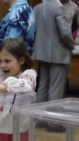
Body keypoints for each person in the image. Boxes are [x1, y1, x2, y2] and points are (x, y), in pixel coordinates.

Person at [33, 0, 75, 132]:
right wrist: (72, 45)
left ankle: (39, 118)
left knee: (43, 87)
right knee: (56, 88)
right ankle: (53, 123)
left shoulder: (38, 8)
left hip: (42, 52)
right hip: (58, 53)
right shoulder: (58, 7)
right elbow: (65, 32)